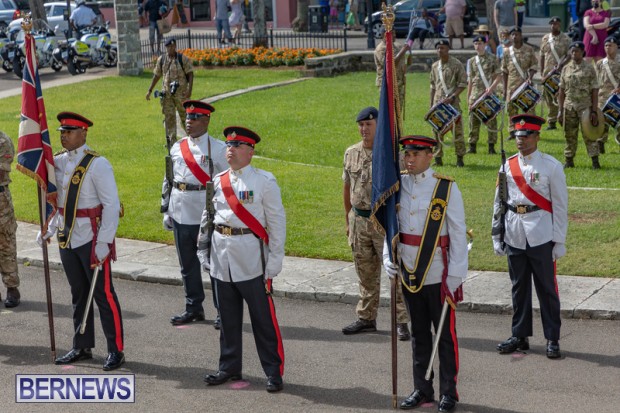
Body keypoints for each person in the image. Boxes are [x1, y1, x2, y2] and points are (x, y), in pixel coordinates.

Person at [383, 135, 468, 413]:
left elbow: (456, 232)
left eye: (416, 154)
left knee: (444, 335)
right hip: (409, 272)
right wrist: (388, 256)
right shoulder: (399, 185)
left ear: (430, 155)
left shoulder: (445, 188)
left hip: (438, 273)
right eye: (406, 154)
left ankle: (448, 393)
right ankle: (422, 388)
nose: (409, 159)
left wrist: (456, 273)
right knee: (419, 334)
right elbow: (392, 227)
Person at [37, 112, 125, 371]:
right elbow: (61, 205)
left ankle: (116, 349)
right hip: (68, 236)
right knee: (78, 293)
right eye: (62, 131)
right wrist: (49, 228)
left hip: (92, 236)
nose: (64, 135)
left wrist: (105, 242)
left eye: (70, 131)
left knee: (103, 294)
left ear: (84, 133)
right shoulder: (58, 162)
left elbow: (111, 206)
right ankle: (81, 345)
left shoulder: (98, 164)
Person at [201, 126, 286, 393]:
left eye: (237, 146)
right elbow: (209, 218)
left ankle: (273, 372)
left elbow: (276, 223)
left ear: (250, 151)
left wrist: (275, 260)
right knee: (226, 318)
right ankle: (229, 366)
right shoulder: (218, 181)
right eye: (228, 145)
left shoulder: (264, 181)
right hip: (221, 258)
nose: (231, 150)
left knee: (263, 320)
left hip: (252, 261)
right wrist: (203, 250)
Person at [492, 114, 568, 360]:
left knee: (546, 288)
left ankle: (552, 337)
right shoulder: (507, 165)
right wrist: (497, 234)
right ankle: (520, 334)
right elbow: (500, 202)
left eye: (525, 136)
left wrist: (559, 240)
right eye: (516, 136)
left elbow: (560, 206)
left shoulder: (551, 166)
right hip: (515, 232)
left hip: (541, 233)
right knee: (519, 287)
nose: (520, 141)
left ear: (537, 136)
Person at [341, 107, 410, 340]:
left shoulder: (392, 156)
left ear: (379, 126)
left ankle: (401, 321)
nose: (364, 129)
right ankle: (366, 318)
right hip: (359, 220)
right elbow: (346, 187)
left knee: (395, 273)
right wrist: (347, 219)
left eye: (368, 125)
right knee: (365, 273)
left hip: (383, 221)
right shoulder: (350, 153)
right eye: (361, 125)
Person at [163, 101, 228, 327]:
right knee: (187, 264)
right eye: (188, 118)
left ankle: (222, 311)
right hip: (181, 211)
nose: (189, 122)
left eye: (195, 118)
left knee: (212, 265)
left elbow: (225, 183)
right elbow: (170, 179)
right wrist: (167, 210)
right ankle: (193, 307)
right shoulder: (177, 147)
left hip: (205, 215)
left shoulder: (218, 149)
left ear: (207, 120)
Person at [558, 41, 601, 169]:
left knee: (589, 134)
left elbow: (594, 90)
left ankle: (595, 161)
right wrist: (560, 110)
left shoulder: (589, 68)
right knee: (569, 134)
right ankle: (569, 160)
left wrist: (594, 111)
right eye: (572, 51)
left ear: (582, 52)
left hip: (585, 107)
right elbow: (561, 91)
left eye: (576, 51)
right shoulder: (566, 68)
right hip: (569, 107)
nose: (573, 53)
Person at [146, 38, 194, 142]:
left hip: (182, 94)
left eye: (172, 46)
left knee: (186, 117)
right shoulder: (162, 59)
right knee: (169, 118)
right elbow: (156, 75)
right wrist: (149, 90)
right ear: (166, 48)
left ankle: (192, 141)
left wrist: (189, 90)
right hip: (167, 95)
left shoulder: (182, 59)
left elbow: (190, 73)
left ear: (175, 46)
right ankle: (172, 143)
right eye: (168, 47)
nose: (170, 49)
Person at [430, 39, 467, 167]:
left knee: (457, 131)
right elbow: (433, 86)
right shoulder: (435, 66)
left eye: (443, 48)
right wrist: (431, 105)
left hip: (453, 104)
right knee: (436, 131)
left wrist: (453, 96)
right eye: (438, 48)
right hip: (438, 104)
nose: (440, 50)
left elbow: (463, 84)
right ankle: (438, 158)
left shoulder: (456, 64)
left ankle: (460, 158)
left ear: (448, 49)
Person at [466, 35, 502, 155]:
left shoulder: (492, 58)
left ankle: (491, 146)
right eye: (476, 44)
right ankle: (472, 146)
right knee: (473, 122)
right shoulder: (471, 61)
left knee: (491, 120)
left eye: (480, 44)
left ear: (485, 45)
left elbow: (498, 75)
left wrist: (491, 88)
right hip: (475, 95)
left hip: (488, 95)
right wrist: (468, 97)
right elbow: (470, 80)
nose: (478, 46)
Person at [540, 16, 571, 130]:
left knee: (562, 95)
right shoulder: (545, 38)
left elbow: (570, 55)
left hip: (560, 73)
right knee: (549, 97)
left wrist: (561, 65)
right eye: (552, 24)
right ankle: (551, 121)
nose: (554, 26)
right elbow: (542, 56)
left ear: (560, 25)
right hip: (548, 73)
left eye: (557, 24)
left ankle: (564, 118)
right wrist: (542, 72)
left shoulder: (566, 39)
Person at [0, 131, 20, 308]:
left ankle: (12, 288)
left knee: (6, 244)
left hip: (1, 204)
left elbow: (1, 170)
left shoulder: (3, 141)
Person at [502, 27, 537, 124]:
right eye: (512, 35)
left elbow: (534, 65)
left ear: (521, 36)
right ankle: (513, 130)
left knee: (529, 108)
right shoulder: (507, 52)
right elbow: (504, 70)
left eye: (516, 34)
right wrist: (504, 89)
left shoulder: (529, 49)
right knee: (511, 109)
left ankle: (530, 129)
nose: (514, 37)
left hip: (525, 84)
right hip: (512, 85)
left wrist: (530, 77)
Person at [595, 36, 620, 155]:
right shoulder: (600, 63)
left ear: (616, 47)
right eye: (606, 45)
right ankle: (601, 142)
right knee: (603, 122)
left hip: (618, 97)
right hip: (603, 96)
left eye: (610, 45)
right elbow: (596, 80)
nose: (608, 48)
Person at [377, 39, 408, 115]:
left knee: (398, 112)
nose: (394, 36)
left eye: (394, 33)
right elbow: (390, 65)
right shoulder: (381, 49)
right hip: (387, 84)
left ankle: (396, 127)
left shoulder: (397, 46)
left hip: (399, 83)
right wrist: (403, 51)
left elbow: (407, 62)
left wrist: (408, 52)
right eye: (392, 33)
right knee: (389, 112)